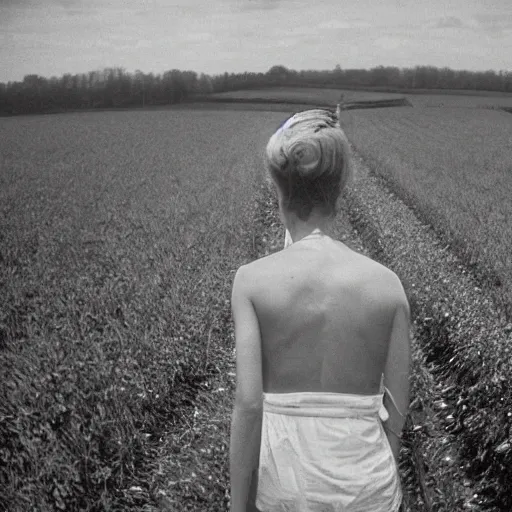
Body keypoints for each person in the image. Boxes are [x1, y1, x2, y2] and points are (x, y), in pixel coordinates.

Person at [229, 106, 410, 512]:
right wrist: (374, 478)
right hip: (369, 490)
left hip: (284, 491)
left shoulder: (251, 281)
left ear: (279, 192)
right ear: (340, 192)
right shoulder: (388, 286)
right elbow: (395, 415)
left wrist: (240, 505)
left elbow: (249, 404)